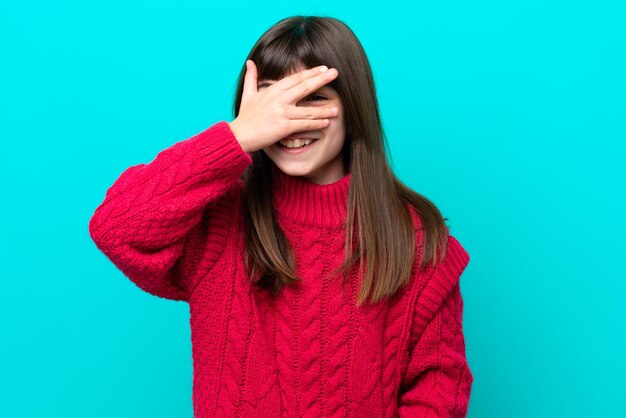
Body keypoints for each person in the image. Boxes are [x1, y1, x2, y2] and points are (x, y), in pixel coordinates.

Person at [88, 15, 473, 417]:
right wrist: (236, 137)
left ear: (353, 107)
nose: (288, 122)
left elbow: (437, 394)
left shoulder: (416, 243)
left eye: (314, 98)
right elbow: (116, 227)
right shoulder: (217, 219)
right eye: (272, 102)